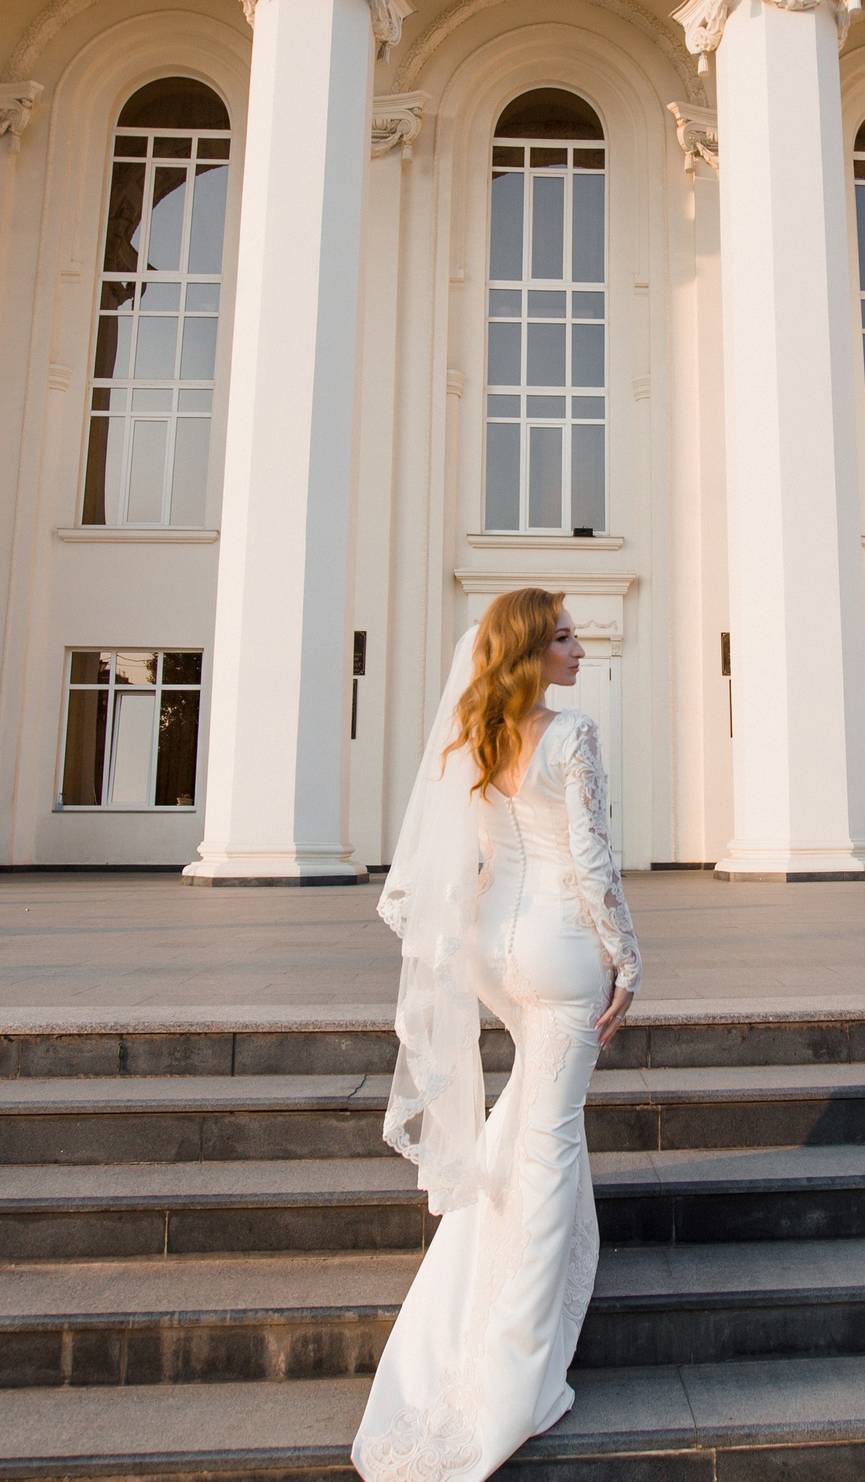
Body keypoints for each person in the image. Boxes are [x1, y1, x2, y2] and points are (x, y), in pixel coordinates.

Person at [352, 588, 642, 1482]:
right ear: (528, 651)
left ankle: (475, 1301)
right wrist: (628, 957)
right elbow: (592, 860)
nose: (579, 648)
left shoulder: (473, 733)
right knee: (549, 1143)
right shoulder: (571, 733)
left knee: (529, 1117)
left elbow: (471, 855)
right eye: (562, 637)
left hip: (493, 946)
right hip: (560, 954)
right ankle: (509, 1380)